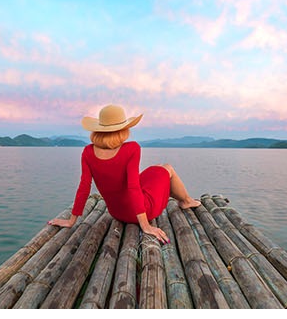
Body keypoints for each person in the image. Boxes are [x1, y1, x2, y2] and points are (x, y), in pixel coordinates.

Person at [49, 104, 199, 246]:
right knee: (167, 168)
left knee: (157, 168)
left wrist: (71, 221)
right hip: (141, 212)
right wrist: (145, 225)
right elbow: (133, 187)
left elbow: (84, 187)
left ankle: (180, 197)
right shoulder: (132, 149)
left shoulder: (88, 152)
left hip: (117, 212)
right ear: (122, 129)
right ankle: (186, 201)